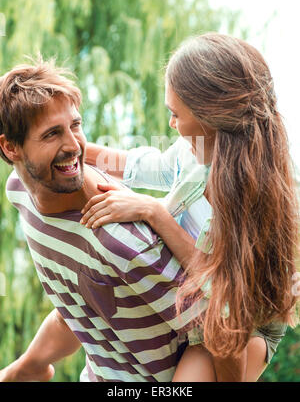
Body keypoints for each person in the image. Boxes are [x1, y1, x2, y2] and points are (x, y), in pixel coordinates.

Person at [0, 57, 249, 383]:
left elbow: (222, 328)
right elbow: (75, 311)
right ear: (10, 148)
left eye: (76, 125)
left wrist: (154, 211)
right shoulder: (18, 191)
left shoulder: (126, 243)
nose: (74, 146)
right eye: (52, 134)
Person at [80, 33, 300, 381]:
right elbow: (143, 165)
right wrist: (75, 146)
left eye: (175, 114)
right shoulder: (195, 151)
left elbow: (220, 287)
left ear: (211, 116)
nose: (170, 125)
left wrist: (154, 212)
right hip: (192, 301)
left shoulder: (256, 196)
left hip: (243, 323)